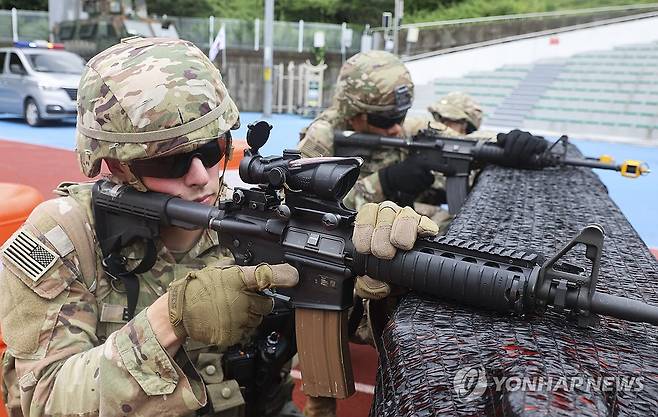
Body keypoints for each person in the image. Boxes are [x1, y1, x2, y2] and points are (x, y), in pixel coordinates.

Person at [0, 37, 439, 417]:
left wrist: (387, 277)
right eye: (169, 161)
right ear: (114, 164)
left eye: (213, 150)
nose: (200, 176)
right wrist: (171, 321)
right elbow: (42, 399)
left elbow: (353, 325)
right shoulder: (63, 239)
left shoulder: (251, 219)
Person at [298, 51, 548, 417]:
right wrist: (382, 185)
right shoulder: (320, 141)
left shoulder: (408, 127)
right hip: (337, 259)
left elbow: (469, 143)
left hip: (391, 244)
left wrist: (508, 145)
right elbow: (308, 212)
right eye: (385, 120)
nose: (396, 128)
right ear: (353, 112)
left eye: (399, 116)